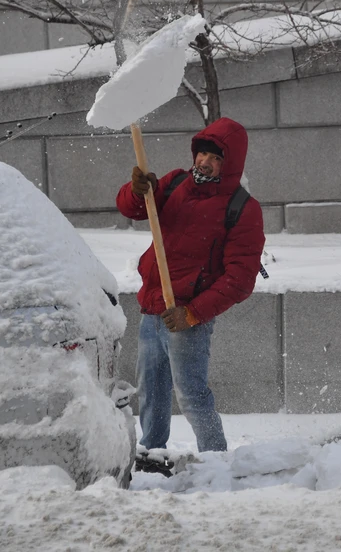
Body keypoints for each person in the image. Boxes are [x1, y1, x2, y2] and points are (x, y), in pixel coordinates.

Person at [116, 117, 265, 465]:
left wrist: (193, 313)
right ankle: (151, 456)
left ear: (230, 165)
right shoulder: (176, 183)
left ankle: (216, 462)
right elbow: (133, 209)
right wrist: (136, 190)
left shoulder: (242, 208)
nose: (206, 162)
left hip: (188, 318)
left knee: (192, 396)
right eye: (203, 154)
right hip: (153, 309)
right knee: (151, 393)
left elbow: (240, 279)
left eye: (216, 158)